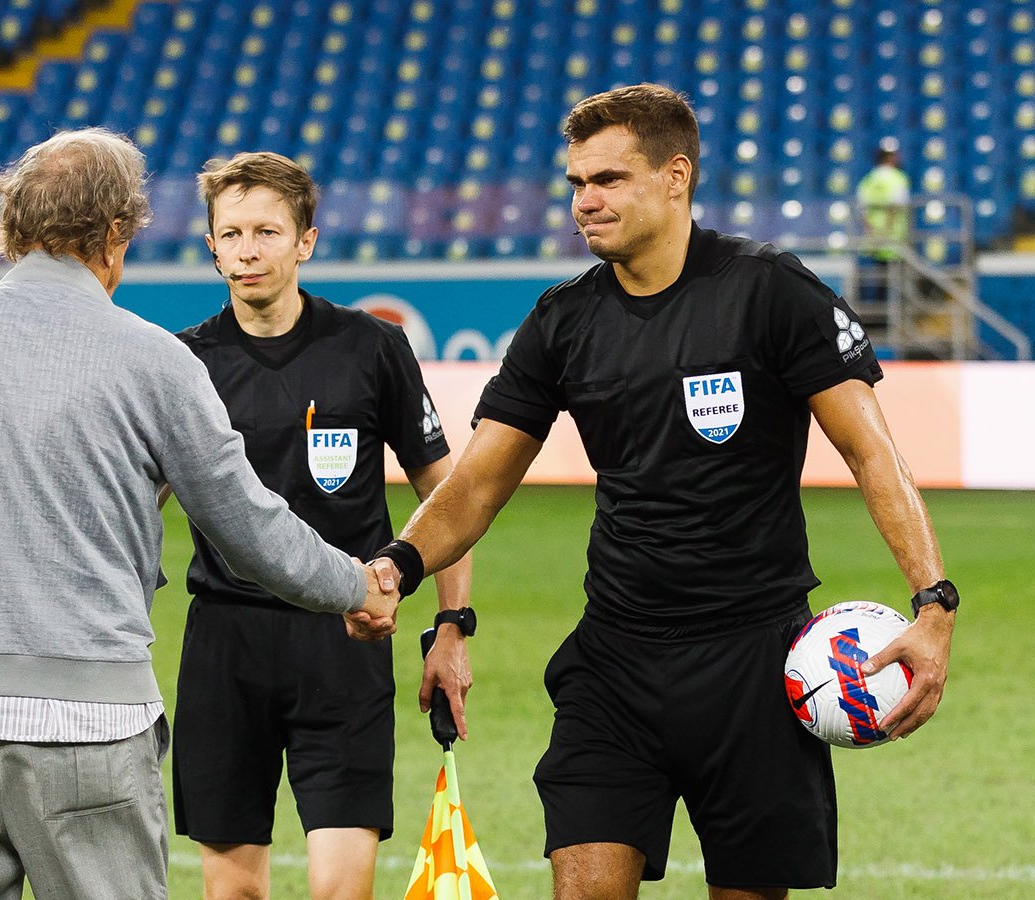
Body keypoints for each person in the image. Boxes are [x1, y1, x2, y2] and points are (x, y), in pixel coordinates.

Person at [370, 84, 957, 900]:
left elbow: (873, 453)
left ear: (675, 176)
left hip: (756, 663)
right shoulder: (562, 321)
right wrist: (396, 568)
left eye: (607, 179)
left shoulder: (769, 290)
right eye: (575, 183)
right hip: (614, 660)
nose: (584, 201)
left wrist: (933, 600)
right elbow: (476, 485)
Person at [0, 128, 398, 900]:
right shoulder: (156, 359)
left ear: (12, 224)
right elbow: (251, 529)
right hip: (88, 730)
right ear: (117, 234)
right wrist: (357, 585)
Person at [167, 151, 474, 900]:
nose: (247, 250)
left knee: (343, 889)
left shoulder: (371, 347)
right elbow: (132, 513)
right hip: (225, 646)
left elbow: (447, 493)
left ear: (304, 240)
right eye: (230, 233)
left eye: (267, 231)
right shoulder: (181, 364)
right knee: (231, 892)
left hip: (346, 637)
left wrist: (452, 626)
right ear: (210, 245)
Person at [855, 138, 911, 306]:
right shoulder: (898, 178)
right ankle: (888, 322)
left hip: (872, 242)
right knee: (892, 286)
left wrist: (873, 232)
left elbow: (862, 210)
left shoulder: (868, 180)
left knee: (874, 283)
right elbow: (897, 207)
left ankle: (872, 320)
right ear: (892, 157)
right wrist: (886, 230)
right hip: (893, 242)